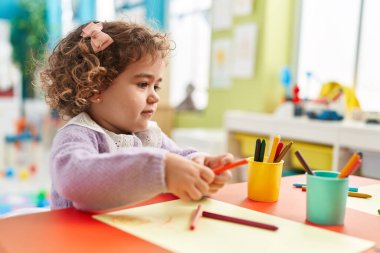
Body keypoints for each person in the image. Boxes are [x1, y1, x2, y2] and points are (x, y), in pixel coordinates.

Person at [39, 21, 233, 212]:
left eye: (156, 86)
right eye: (142, 84)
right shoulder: (78, 135)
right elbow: (74, 180)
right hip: (76, 240)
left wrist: (199, 166)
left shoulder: (146, 134)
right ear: (94, 89)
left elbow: (177, 157)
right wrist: (161, 171)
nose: (155, 96)